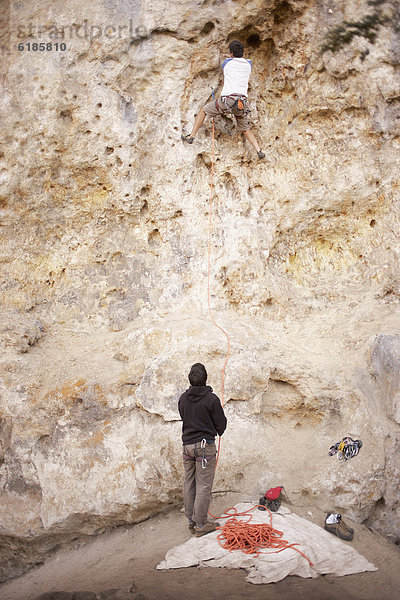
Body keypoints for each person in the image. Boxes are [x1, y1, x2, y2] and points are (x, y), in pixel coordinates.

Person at [182, 40, 265, 159]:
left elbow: (225, 61)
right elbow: (243, 60)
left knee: (204, 111)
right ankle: (259, 150)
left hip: (227, 102)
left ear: (231, 53)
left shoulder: (227, 63)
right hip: (241, 104)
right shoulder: (248, 64)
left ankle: (191, 136)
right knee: (245, 129)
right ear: (242, 52)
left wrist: (229, 56)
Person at [178, 363, 227, 537]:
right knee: (204, 485)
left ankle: (191, 521)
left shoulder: (183, 398)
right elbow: (221, 425)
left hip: (187, 447)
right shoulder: (211, 400)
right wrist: (215, 430)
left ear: (189, 379)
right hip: (204, 447)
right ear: (205, 379)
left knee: (189, 482)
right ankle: (200, 524)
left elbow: (184, 417)